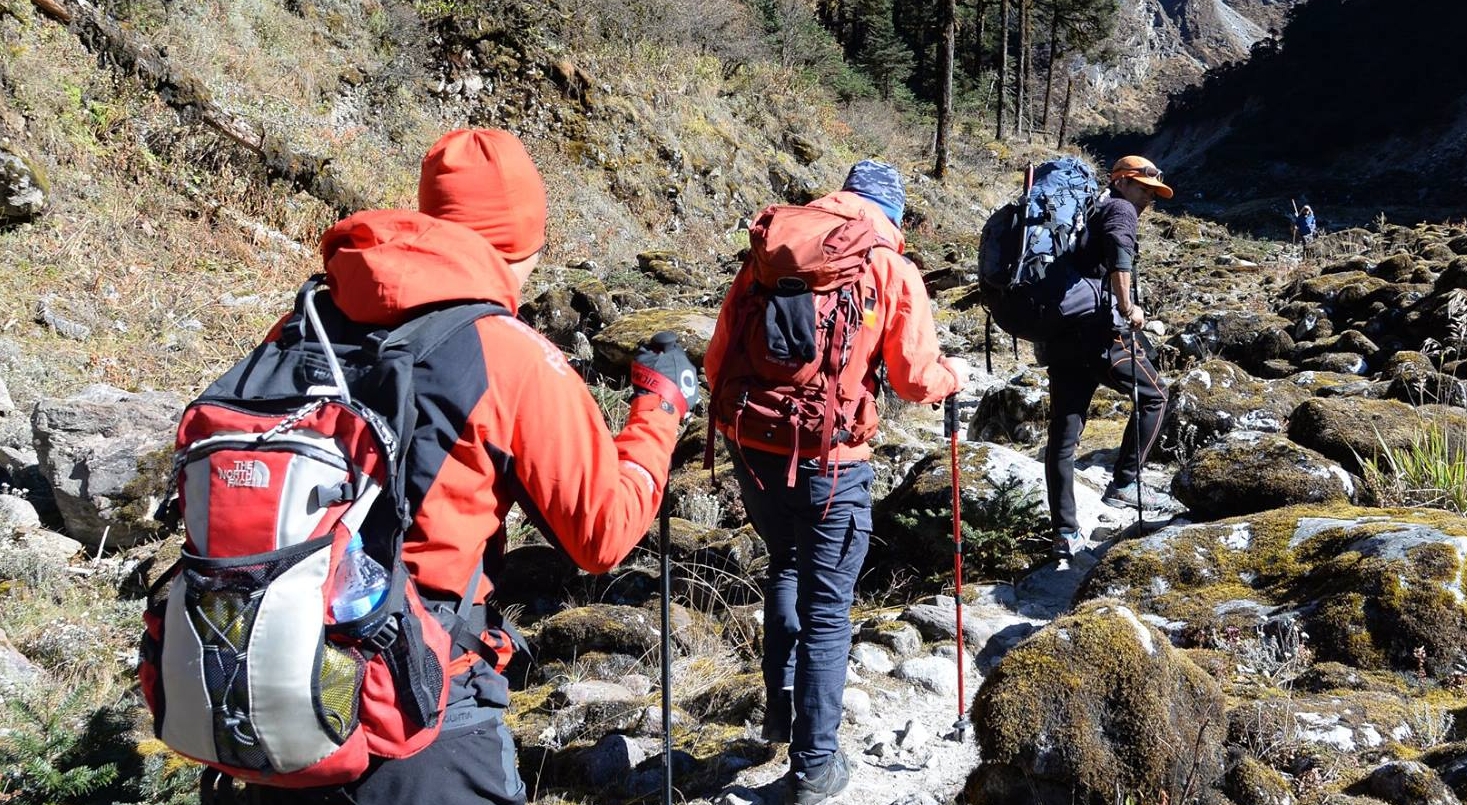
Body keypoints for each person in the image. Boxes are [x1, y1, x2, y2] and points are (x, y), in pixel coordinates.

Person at [247, 128, 696, 804]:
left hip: (274, 692)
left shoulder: (303, 322)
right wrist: (659, 412)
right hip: (417, 713)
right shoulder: (507, 354)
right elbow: (603, 533)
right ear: (520, 243)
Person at [703, 159, 968, 804]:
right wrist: (951, 378)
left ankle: (779, 714)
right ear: (892, 213)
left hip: (753, 443)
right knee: (828, 610)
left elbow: (716, 358)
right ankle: (814, 765)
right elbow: (911, 376)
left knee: (783, 566)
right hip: (830, 459)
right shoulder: (889, 267)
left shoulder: (773, 251)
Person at [1042, 155, 1172, 566]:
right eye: (1145, 190)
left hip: (1063, 335)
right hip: (1101, 333)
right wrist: (1128, 306)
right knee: (1156, 395)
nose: (1149, 200)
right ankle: (1127, 481)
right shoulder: (1120, 209)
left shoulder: (1090, 209)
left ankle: (1064, 533)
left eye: (1153, 194)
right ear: (1123, 183)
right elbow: (1120, 257)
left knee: (1063, 439)